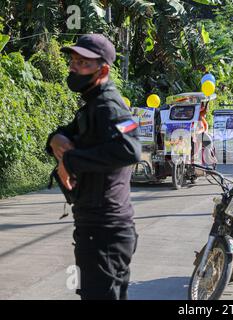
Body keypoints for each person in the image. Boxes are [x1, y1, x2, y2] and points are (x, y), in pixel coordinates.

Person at [45, 34, 141, 300]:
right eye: (73, 61)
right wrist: (55, 138)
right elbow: (70, 133)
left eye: (83, 63)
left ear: (103, 70)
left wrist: (72, 161)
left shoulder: (110, 106)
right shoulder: (92, 104)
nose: (74, 67)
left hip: (106, 230)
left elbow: (131, 148)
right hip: (94, 227)